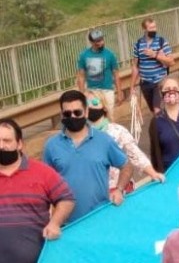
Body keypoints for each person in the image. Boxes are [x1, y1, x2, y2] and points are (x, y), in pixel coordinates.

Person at [43, 90, 132, 223]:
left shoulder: (104, 141)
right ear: (61, 115)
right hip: (66, 224)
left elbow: (126, 166)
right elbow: (45, 184)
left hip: (101, 218)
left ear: (86, 112)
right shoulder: (51, 146)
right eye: (67, 113)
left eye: (77, 112)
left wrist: (119, 189)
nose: (72, 116)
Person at [0, 118, 74, 263]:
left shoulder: (42, 172)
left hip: (38, 258)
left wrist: (55, 223)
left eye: (7, 140)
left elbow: (67, 199)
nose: (1, 146)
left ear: (20, 143)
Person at [85, 91, 165, 191]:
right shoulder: (81, 137)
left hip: (121, 189)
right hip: (97, 194)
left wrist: (153, 173)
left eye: (95, 102)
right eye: (86, 103)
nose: (90, 105)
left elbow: (135, 155)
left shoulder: (118, 131)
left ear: (104, 107)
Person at [77, 29, 123, 121]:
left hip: (107, 91)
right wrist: (82, 95)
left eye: (102, 40)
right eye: (98, 41)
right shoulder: (84, 55)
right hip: (92, 92)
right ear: (91, 42)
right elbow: (81, 76)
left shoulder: (110, 54)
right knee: (95, 119)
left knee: (110, 118)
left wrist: (119, 92)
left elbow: (116, 74)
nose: (101, 42)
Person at [131, 18, 175, 113]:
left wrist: (155, 55)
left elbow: (171, 61)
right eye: (151, 27)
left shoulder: (161, 42)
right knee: (154, 110)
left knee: (157, 110)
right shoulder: (138, 44)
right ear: (144, 29)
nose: (154, 29)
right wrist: (132, 86)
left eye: (155, 27)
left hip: (160, 80)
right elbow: (135, 66)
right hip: (145, 82)